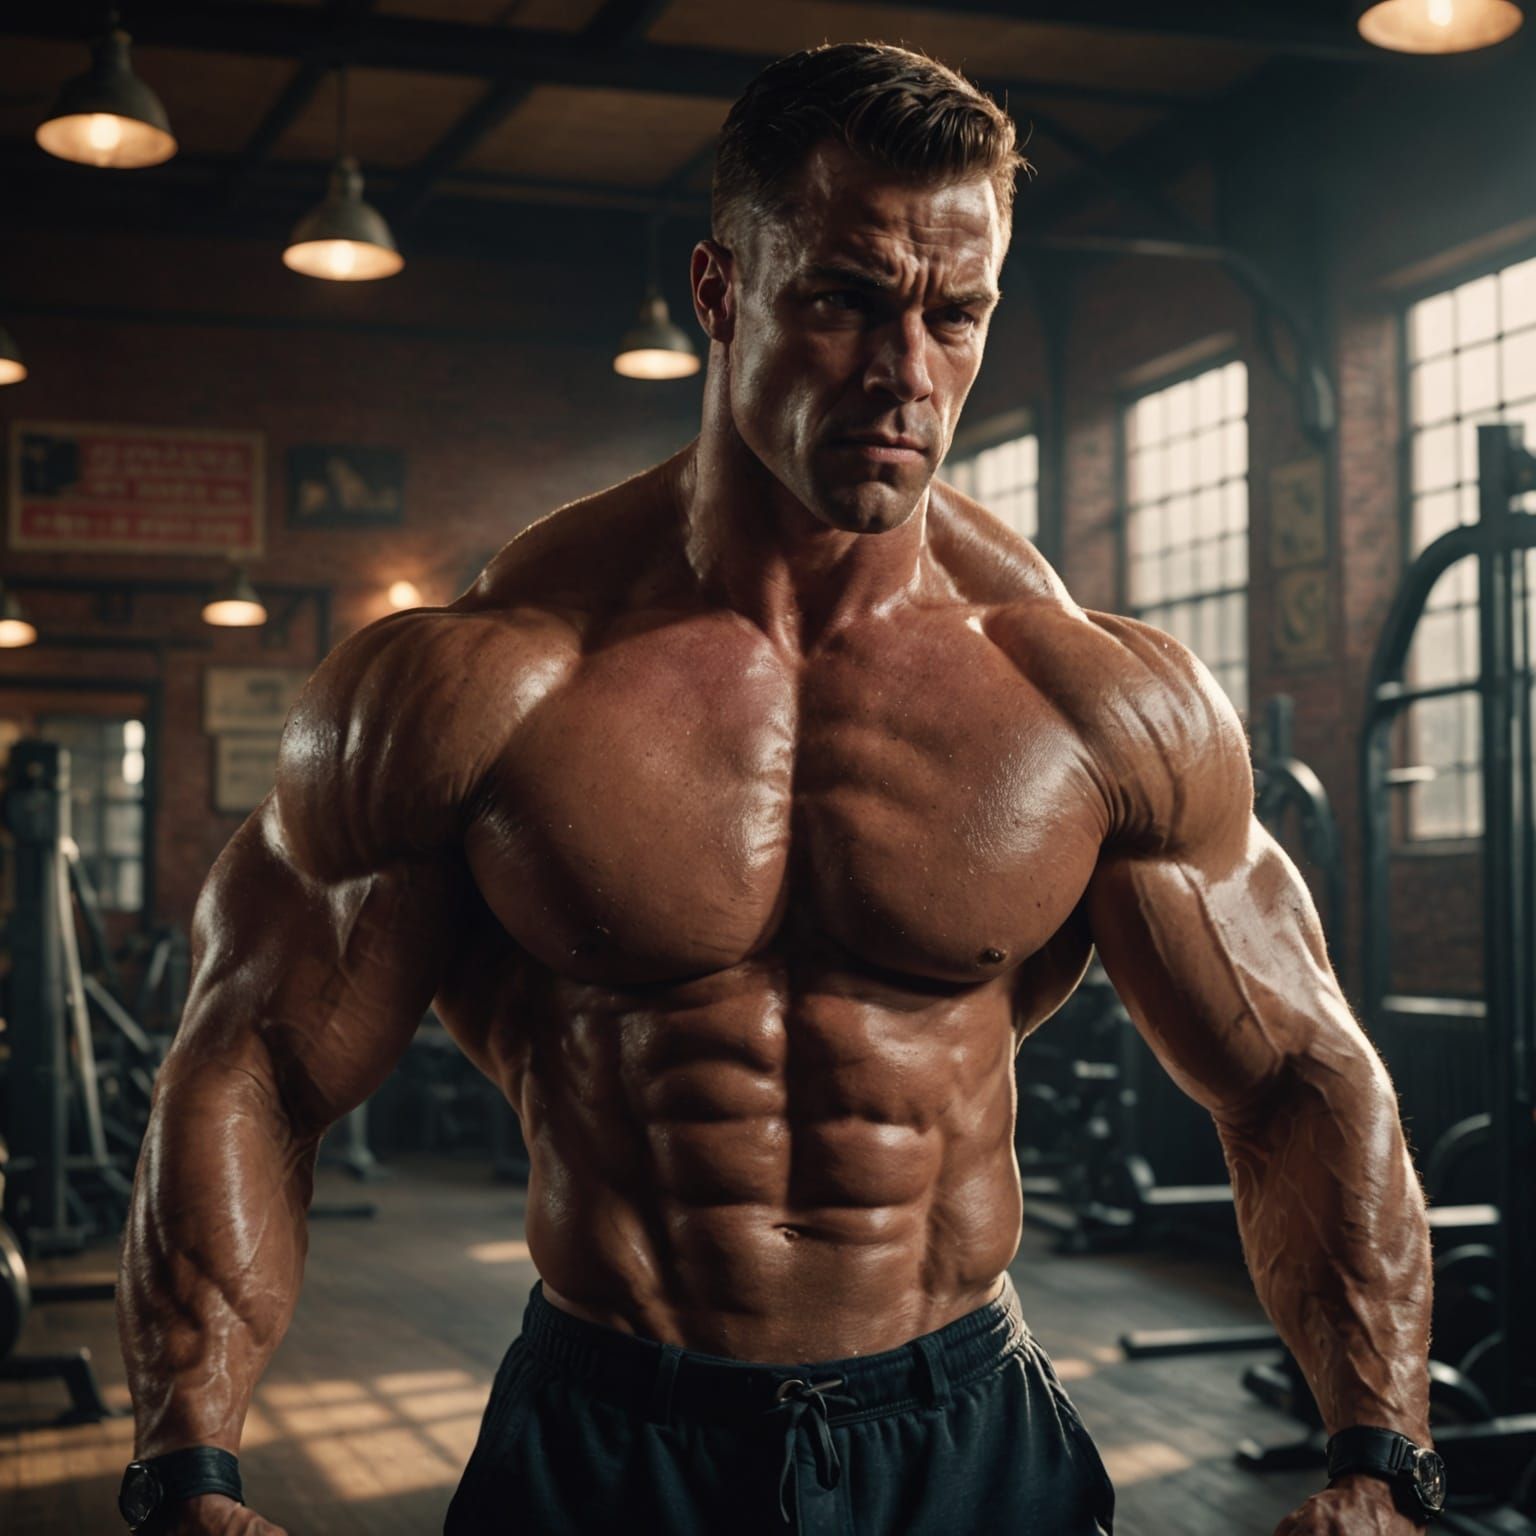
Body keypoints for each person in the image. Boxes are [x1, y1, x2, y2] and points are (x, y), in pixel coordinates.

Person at [115, 41, 1439, 1536]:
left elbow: (1296, 1077)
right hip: (613, 1436)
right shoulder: (484, 680)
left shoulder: (1091, 695)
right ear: (720, 290)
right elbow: (254, 1066)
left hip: (962, 1431)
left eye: (957, 315)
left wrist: (1380, 1455)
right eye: (845, 300)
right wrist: (188, 1461)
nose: (906, 373)